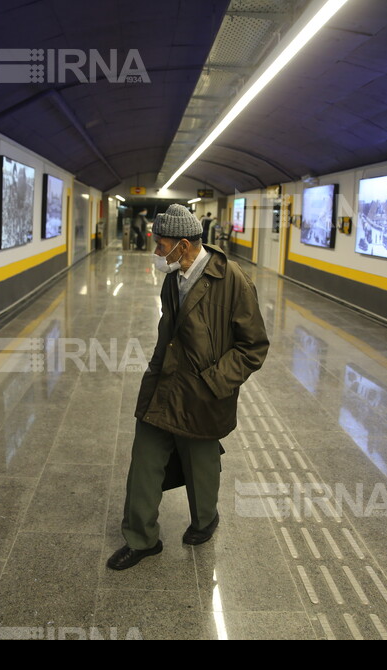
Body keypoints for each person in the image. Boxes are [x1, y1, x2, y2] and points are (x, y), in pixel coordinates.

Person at [107, 204, 270, 571]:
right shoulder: (173, 276)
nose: (156, 253)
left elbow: (254, 346)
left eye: (161, 246)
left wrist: (214, 382)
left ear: (184, 244)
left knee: (202, 467)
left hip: (205, 394)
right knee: (145, 461)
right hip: (165, 385)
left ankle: (205, 520)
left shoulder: (233, 281)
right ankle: (141, 538)